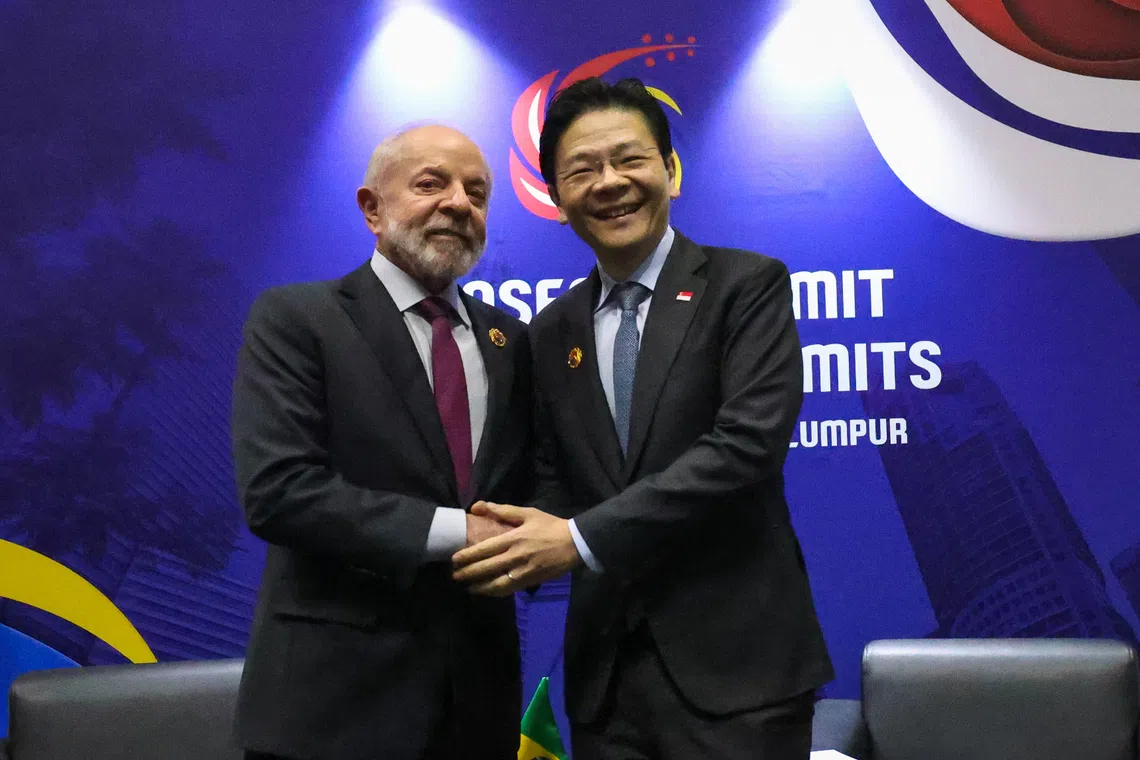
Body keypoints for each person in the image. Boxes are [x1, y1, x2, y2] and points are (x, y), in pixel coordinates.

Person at [452, 78, 833, 759]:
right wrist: (507, 535)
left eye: (629, 159)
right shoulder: (550, 331)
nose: (609, 183)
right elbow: (553, 478)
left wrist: (578, 539)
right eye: (582, 170)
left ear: (671, 171)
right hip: (608, 687)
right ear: (556, 200)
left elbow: (745, 448)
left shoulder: (746, 287)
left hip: (740, 675)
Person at [231, 125, 531, 760]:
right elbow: (280, 492)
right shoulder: (298, 319)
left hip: (478, 706)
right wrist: (464, 532)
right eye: (431, 184)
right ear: (372, 208)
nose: (459, 203)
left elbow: (531, 483)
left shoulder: (511, 341)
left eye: (477, 193)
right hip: (332, 710)